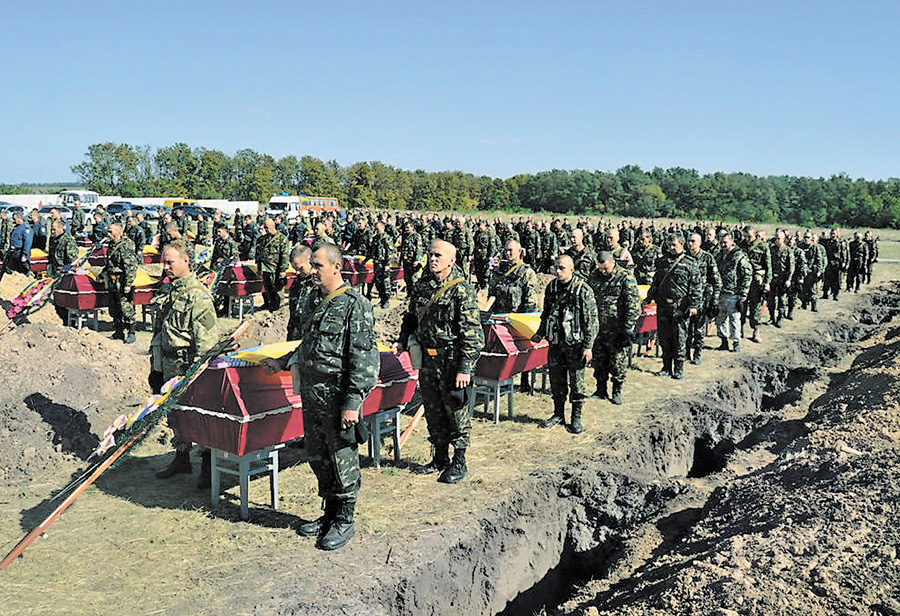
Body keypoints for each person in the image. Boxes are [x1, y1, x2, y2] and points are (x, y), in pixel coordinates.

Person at [262, 243, 379, 551]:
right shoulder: (315, 299)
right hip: (313, 394)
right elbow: (308, 344)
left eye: (318, 265)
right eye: (311, 265)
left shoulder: (356, 305)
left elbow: (365, 360)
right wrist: (284, 361)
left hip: (338, 397)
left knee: (342, 457)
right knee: (318, 455)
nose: (311, 270)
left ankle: (344, 518)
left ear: (336, 267)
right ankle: (328, 513)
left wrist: (353, 402)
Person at [398, 240, 483, 483]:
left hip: (452, 361)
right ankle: (439, 458)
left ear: (451, 260)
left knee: (456, 411)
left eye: (437, 255)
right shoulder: (423, 285)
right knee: (433, 410)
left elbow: (472, 334)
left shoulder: (462, 290)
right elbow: (411, 317)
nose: (432, 259)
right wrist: (403, 340)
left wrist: (465, 368)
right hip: (427, 360)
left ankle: (459, 461)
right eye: (430, 254)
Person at [150, 240, 219, 487]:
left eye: (170, 262)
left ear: (186, 261)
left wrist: (199, 375)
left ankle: (209, 466)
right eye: (164, 262)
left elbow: (207, 344)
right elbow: (159, 332)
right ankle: (182, 457)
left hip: (189, 368)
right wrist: (155, 369)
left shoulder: (198, 297)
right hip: (169, 366)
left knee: (199, 417)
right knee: (175, 416)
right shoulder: (168, 292)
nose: (165, 266)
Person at [535, 255, 598, 432]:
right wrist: (540, 333)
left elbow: (591, 321)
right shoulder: (552, 287)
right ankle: (558, 414)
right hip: (556, 343)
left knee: (577, 383)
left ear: (571, 269)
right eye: (556, 267)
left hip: (575, 346)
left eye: (562, 268)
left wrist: (588, 346)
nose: (557, 271)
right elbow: (546, 313)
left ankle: (576, 418)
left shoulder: (582, 290)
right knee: (556, 381)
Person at [486, 240, 540, 393]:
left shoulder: (527, 273)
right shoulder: (498, 271)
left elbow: (530, 301)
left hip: (517, 319)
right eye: (506, 250)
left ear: (519, 252)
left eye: (511, 250)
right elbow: (492, 294)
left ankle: (524, 381)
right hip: (499, 318)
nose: (508, 254)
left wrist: (524, 320)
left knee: (522, 349)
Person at [587, 251, 640, 405]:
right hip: (598, 328)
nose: (603, 271)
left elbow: (633, 305)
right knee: (599, 360)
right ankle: (600, 389)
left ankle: (617, 390)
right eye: (601, 268)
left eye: (606, 269)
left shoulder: (625, 277)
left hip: (618, 329)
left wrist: (628, 328)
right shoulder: (593, 276)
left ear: (613, 263)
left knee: (617, 362)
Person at [646, 233, 701, 379]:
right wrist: (649, 297)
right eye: (668, 245)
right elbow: (656, 282)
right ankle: (666, 367)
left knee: (679, 338)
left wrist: (694, 305)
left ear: (682, 244)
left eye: (674, 245)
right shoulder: (662, 262)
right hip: (663, 305)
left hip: (680, 307)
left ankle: (678, 368)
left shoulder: (690, 262)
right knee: (664, 337)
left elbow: (696, 286)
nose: (670, 248)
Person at [686, 233, 721, 365]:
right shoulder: (684, 257)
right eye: (689, 241)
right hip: (686, 298)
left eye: (693, 241)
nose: (690, 244)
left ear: (700, 243)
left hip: (702, 298)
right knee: (686, 328)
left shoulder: (707, 258)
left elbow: (717, 280)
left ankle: (697, 353)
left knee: (698, 329)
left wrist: (715, 299)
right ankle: (686, 353)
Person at [101, 223, 138, 344]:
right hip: (112, 280)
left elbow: (131, 266)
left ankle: (131, 333)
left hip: (122, 280)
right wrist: (102, 274)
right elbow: (110, 264)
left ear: (119, 232)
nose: (108, 234)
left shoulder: (126, 245)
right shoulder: (112, 244)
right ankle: (118, 331)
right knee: (114, 307)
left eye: (111, 231)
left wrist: (128, 283)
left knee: (125, 307)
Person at [715, 233, 751, 352]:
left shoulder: (739, 255)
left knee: (734, 319)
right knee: (720, 318)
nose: (723, 245)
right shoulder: (719, 256)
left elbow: (747, 274)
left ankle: (736, 342)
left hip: (734, 293)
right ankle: (723, 341)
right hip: (721, 292)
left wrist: (744, 292)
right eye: (721, 242)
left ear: (732, 242)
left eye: (725, 242)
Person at [742, 226, 771, 343]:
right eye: (745, 236)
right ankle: (740, 330)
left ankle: (756, 331)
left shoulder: (763, 247)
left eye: (749, 236)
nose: (747, 239)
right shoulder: (741, 245)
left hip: (756, 281)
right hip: (743, 280)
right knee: (741, 306)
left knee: (755, 307)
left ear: (754, 235)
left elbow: (768, 266)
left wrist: (767, 283)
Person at [256, 218, 290, 311]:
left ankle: (279, 310)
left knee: (278, 291)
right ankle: (270, 307)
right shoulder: (263, 239)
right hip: (265, 269)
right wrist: (259, 268)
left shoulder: (281, 238)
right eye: (264, 227)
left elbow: (284, 255)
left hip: (276, 270)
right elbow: (259, 255)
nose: (265, 230)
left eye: (267, 227)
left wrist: (283, 270)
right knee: (268, 290)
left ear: (272, 226)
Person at [286, 243, 315, 341]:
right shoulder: (297, 282)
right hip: (296, 334)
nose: (297, 273)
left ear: (310, 260)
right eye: (295, 269)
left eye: (301, 268)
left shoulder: (320, 283)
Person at [768, 230, 795, 327]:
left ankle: (780, 318)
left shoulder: (788, 250)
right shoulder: (771, 249)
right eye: (776, 238)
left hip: (782, 279)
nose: (777, 240)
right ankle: (771, 317)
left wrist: (789, 279)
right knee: (771, 299)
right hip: (772, 278)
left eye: (779, 238)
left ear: (783, 239)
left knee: (781, 300)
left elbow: (791, 266)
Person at [0, 212, 33, 282]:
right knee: (10, 270)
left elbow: (27, 243)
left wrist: (25, 255)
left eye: (15, 219)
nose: (13, 221)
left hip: (20, 252)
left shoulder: (26, 228)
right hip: (14, 252)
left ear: (20, 218)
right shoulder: (16, 227)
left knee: (23, 271)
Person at [368, 221, 395, 309]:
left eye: (377, 228)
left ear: (382, 228)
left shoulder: (387, 238)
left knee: (385, 283)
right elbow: (372, 251)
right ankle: (381, 299)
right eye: (375, 228)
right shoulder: (375, 238)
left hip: (384, 264)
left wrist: (387, 264)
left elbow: (389, 252)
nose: (376, 230)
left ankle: (386, 300)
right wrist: (366, 260)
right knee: (378, 283)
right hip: (376, 263)